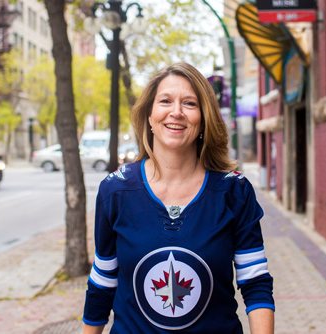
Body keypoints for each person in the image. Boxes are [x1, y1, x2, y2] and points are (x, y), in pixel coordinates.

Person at [82, 63, 274, 334]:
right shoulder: (115, 191)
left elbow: (255, 281)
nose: (176, 112)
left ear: (204, 119)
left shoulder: (234, 191)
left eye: (189, 103)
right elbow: (102, 282)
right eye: (165, 101)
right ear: (149, 116)